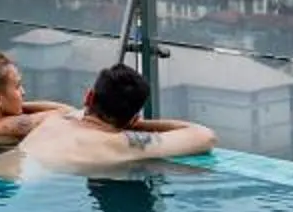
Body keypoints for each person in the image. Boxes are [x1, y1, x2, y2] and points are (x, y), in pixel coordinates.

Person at [18, 63, 217, 172]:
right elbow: (205, 136)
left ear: (89, 96)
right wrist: (138, 126)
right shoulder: (120, 144)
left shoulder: (56, 121)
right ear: (133, 118)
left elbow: (68, 110)